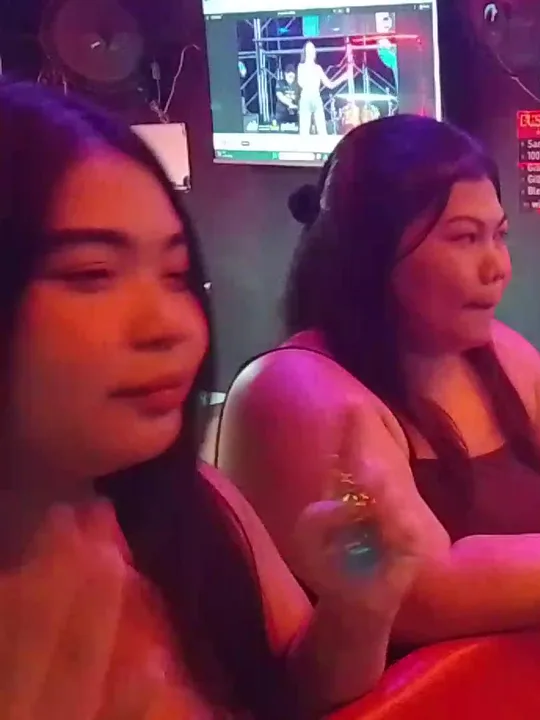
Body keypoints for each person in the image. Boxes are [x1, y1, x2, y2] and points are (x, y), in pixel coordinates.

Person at [216, 115, 540, 649]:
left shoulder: (494, 352)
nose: (497, 266)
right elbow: (424, 591)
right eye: (465, 237)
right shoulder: (293, 389)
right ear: (369, 253)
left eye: (499, 235)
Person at [0, 82, 424, 717]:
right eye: (92, 275)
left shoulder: (195, 501)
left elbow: (293, 695)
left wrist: (358, 607)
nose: (171, 325)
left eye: (175, 276)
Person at [296, 41, 349, 137]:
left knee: (322, 132)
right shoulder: (301, 67)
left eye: (313, 49)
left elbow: (330, 85)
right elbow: (301, 83)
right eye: (308, 49)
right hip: (305, 99)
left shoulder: (318, 68)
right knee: (304, 133)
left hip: (316, 99)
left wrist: (343, 78)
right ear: (305, 52)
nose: (311, 51)